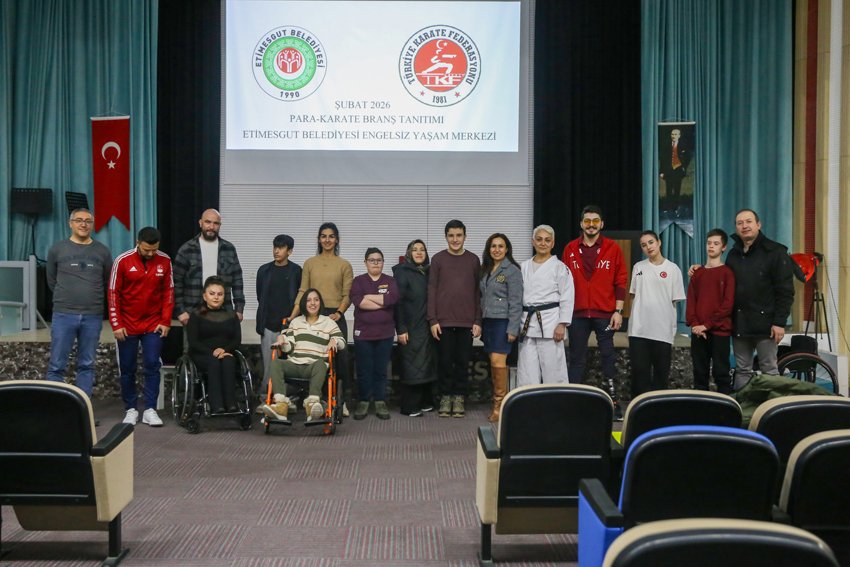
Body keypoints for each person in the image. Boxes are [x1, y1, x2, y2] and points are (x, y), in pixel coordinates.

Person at [561, 205, 628, 417]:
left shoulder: (613, 248)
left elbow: (620, 281)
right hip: (578, 314)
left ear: (602, 224)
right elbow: (563, 283)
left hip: (605, 313)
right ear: (581, 224)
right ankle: (572, 401)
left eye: (595, 221)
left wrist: (618, 311)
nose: (591, 225)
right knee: (577, 358)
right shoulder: (570, 248)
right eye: (587, 221)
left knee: (608, 356)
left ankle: (614, 400)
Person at [109, 227, 174, 426]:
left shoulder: (165, 260)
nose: (150, 254)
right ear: (138, 243)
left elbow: (168, 293)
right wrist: (116, 323)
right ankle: (130, 409)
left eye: (154, 250)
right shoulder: (122, 260)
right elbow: (113, 294)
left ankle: (150, 409)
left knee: (153, 364)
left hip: (153, 324)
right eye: (146, 250)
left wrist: (165, 320)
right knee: (127, 367)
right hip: (127, 325)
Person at [45, 208, 112, 397]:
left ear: (92, 224)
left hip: (93, 315)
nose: (83, 224)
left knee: (87, 364)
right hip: (63, 313)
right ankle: (55, 408)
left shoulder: (102, 251)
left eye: (88, 221)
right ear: (70, 223)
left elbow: (107, 280)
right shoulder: (57, 249)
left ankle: (83, 410)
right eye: (79, 220)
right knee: (57, 365)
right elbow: (51, 280)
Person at [726, 209, 795, 389]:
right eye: (739, 223)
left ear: (758, 224)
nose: (744, 226)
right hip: (740, 323)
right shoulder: (733, 254)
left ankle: (770, 414)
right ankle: (743, 412)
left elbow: (785, 291)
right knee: (742, 370)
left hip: (767, 326)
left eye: (748, 221)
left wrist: (779, 322)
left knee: (769, 370)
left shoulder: (776, 252)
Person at [292, 222, 354, 411]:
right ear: (319, 239)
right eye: (324, 236)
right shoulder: (310, 263)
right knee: (312, 356)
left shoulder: (344, 264)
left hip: (335, 316)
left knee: (340, 358)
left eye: (331, 236)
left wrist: (338, 313)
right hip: (312, 314)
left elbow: (348, 295)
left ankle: (340, 400)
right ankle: (313, 399)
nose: (327, 240)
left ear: (337, 240)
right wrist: (291, 316)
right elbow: (303, 291)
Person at [264, 289, 346, 422]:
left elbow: (342, 342)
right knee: (276, 362)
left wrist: (334, 341)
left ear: (320, 303)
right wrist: (282, 341)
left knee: (321, 363)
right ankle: (280, 406)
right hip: (295, 364)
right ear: (303, 303)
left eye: (316, 300)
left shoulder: (328, 322)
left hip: (315, 367)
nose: (312, 303)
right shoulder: (296, 322)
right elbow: (288, 347)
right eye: (308, 300)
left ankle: (312, 405)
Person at [427, 219, 482, 418]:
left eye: (459, 235)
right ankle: (445, 396)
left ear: (465, 237)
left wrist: (478, 320)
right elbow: (432, 289)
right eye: (451, 235)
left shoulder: (474, 260)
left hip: (467, 322)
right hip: (443, 323)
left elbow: (477, 292)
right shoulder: (438, 259)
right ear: (446, 237)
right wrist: (433, 320)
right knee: (444, 362)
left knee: (462, 362)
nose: (455, 239)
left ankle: (459, 397)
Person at [627, 230, 686, 397]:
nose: (648, 247)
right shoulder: (638, 267)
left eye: (651, 242)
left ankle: (658, 411)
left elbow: (674, 301)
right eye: (644, 245)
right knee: (640, 374)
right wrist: (633, 322)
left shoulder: (673, 269)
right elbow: (632, 296)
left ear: (659, 242)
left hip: (662, 331)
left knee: (661, 375)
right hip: (639, 330)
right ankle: (638, 411)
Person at [517, 225, 574, 387]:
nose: (543, 243)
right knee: (527, 371)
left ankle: (556, 408)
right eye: (539, 239)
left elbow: (567, 298)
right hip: (527, 322)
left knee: (554, 370)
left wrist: (562, 324)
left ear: (553, 243)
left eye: (547, 240)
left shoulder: (560, 267)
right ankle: (529, 407)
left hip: (551, 323)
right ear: (533, 242)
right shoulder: (523, 266)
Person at [350, 248, 399, 420]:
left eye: (379, 260)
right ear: (365, 263)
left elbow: (392, 299)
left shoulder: (390, 280)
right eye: (372, 260)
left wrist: (370, 297)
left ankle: (379, 401)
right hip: (363, 334)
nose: (376, 263)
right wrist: (381, 301)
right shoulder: (358, 281)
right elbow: (359, 302)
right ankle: (363, 401)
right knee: (364, 370)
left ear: (383, 262)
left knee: (381, 370)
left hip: (385, 333)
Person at [172, 209, 245, 324]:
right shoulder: (186, 250)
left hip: (223, 312)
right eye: (208, 222)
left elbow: (237, 280)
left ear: (220, 225)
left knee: (222, 342)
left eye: (216, 223)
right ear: (200, 223)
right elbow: (176, 282)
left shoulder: (229, 249)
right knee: (194, 343)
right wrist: (180, 311)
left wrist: (239, 309)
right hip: (193, 312)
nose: (211, 226)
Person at [479, 233, 523, 421]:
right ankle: (498, 401)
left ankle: (500, 405)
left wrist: (513, 329)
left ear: (507, 249)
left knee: (498, 363)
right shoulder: (486, 269)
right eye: (493, 246)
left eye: (501, 246)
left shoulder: (512, 270)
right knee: (493, 363)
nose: (496, 249)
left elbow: (516, 302)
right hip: (488, 322)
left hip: (503, 323)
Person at [686, 229, 735, 394]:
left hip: (719, 331)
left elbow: (727, 305)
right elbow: (691, 301)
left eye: (716, 243)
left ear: (723, 247)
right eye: (709, 243)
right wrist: (695, 324)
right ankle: (700, 411)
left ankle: (725, 412)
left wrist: (707, 325)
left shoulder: (727, 273)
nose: (711, 247)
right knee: (699, 373)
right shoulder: (697, 273)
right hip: (699, 332)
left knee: (721, 373)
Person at [392, 239, 438, 417]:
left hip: (425, 327)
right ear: (409, 253)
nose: (419, 253)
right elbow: (399, 303)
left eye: (422, 250)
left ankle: (425, 402)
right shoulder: (402, 272)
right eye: (415, 250)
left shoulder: (427, 272)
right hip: (410, 327)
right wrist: (401, 329)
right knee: (412, 367)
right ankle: (409, 406)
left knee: (425, 366)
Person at [187, 276, 242, 413]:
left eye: (220, 294)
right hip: (202, 354)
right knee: (214, 362)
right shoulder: (197, 315)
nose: (216, 297)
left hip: (226, 352)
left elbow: (236, 340)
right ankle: (216, 404)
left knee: (229, 361)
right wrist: (213, 351)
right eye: (212, 294)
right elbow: (193, 342)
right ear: (205, 296)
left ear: (224, 297)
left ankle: (231, 404)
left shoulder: (231, 315)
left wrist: (224, 350)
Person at [255, 234, 302, 392]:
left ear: (290, 251)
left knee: (290, 364)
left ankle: (288, 397)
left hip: (289, 325)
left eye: (281, 248)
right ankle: (265, 397)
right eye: (275, 247)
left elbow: (299, 297)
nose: (276, 251)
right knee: (269, 364)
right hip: (268, 323)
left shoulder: (296, 271)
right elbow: (260, 295)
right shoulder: (264, 270)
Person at [659, 128, 692, 199]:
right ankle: (668, 207)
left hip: (678, 170)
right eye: (672, 134)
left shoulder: (683, 145)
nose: (673, 136)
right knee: (669, 189)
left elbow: (688, 157)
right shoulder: (667, 146)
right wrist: (661, 171)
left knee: (677, 189)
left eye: (675, 134)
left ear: (679, 136)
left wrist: (684, 167)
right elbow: (663, 159)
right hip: (668, 171)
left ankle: (675, 207)